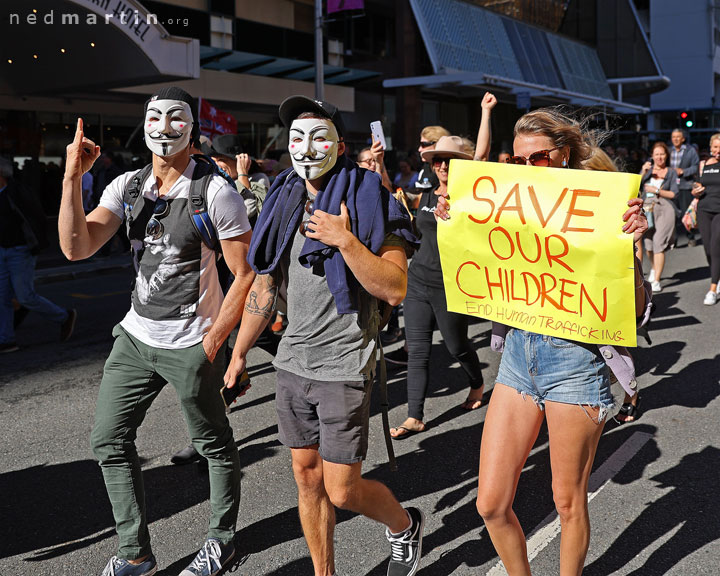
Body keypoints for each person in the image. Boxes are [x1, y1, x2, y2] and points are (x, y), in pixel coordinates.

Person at [435, 107, 649, 575]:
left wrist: (631, 244)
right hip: (518, 357)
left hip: (576, 363)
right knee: (490, 503)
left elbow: (632, 309)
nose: (529, 168)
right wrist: (455, 219)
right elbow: (480, 253)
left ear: (565, 154)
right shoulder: (513, 202)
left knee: (567, 502)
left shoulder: (604, 208)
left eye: (540, 158)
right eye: (521, 159)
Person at [58, 86, 255, 576]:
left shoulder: (215, 192)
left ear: (191, 128)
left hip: (192, 342)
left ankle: (222, 540)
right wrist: (71, 177)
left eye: (175, 119)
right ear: (143, 125)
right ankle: (134, 553)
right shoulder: (127, 187)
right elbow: (76, 248)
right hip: (135, 337)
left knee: (213, 444)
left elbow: (245, 273)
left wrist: (216, 341)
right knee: (108, 440)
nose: (164, 128)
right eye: (155, 118)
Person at [224, 95, 423, 576]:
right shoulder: (283, 198)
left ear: (338, 143)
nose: (305, 146)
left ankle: (404, 526)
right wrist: (237, 356)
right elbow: (265, 285)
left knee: (342, 489)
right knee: (306, 479)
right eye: (296, 137)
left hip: (344, 365)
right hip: (292, 363)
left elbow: (394, 289)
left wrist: (345, 240)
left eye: (318, 136)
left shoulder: (372, 199)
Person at [0, 157, 76, 353]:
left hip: (20, 251)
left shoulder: (18, 192)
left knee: (25, 296)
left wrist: (36, 244)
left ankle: (64, 317)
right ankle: (7, 340)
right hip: (2, 251)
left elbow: (36, 218)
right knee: (3, 297)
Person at [639, 142, 678, 292]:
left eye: (662, 154)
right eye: (657, 154)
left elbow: (674, 194)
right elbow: (635, 186)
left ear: (666, 155)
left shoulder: (671, 172)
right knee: (648, 243)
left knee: (658, 242)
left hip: (665, 208)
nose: (659, 157)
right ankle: (654, 267)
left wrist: (656, 190)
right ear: (652, 156)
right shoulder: (647, 171)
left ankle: (656, 280)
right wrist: (642, 172)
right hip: (647, 208)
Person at [691, 132, 720, 305]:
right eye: (716, 146)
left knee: (716, 246)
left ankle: (712, 289)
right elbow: (697, 185)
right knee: (708, 249)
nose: (718, 150)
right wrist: (695, 191)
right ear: (710, 148)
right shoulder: (703, 164)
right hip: (704, 209)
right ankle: (718, 276)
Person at [669, 128, 700, 245]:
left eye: (678, 137)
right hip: (671, 186)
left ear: (683, 138)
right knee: (673, 215)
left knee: (687, 213)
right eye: (673, 137)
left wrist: (683, 171)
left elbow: (695, 167)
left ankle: (690, 236)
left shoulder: (690, 150)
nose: (675, 139)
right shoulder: (668, 150)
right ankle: (674, 239)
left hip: (685, 185)